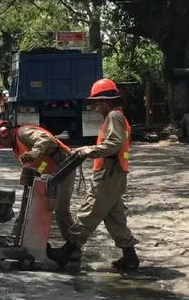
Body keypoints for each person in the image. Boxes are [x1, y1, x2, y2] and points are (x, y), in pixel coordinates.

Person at [46, 78, 140, 270]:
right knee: (115, 217)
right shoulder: (115, 116)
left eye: (97, 103)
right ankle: (130, 256)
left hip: (109, 173)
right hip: (115, 173)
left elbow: (113, 144)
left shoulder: (114, 116)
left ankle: (67, 251)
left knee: (89, 212)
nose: (96, 108)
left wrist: (91, 150)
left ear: (105, 101)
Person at [0, 120, 77, 242]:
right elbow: (43, 161)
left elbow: (44, 139)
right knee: (28, 205)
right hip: (51, 172)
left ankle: (73, 246)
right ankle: (16, 238)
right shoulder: (16, 145)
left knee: (61, 211)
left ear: (3, 133)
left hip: (64, 167)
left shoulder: (24, 133)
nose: (2, 146)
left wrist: (34, 153)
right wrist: (38, 173)